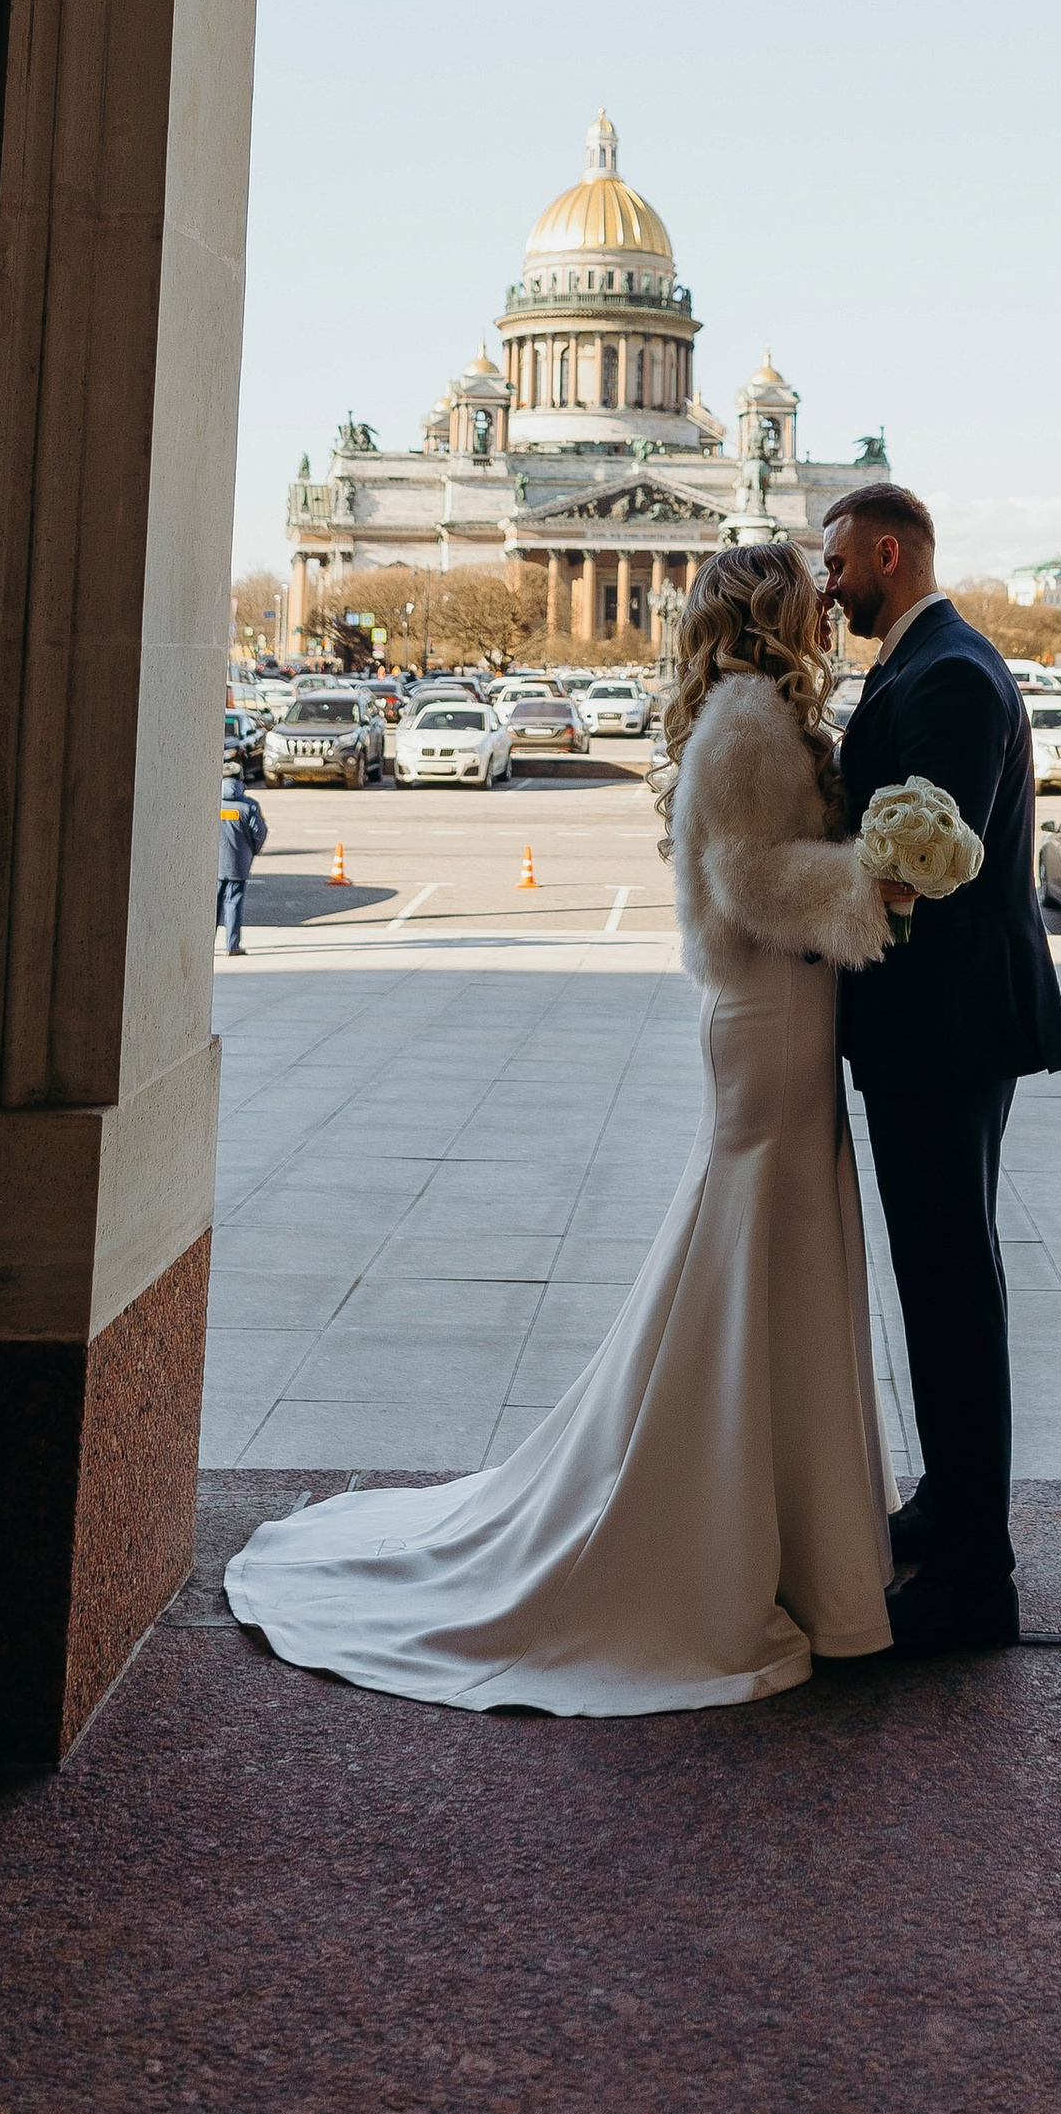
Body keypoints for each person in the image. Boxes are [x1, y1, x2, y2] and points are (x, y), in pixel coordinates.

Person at [222, 541, 900, 1712]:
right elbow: (747, 880)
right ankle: (735, 1531)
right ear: (776, 613)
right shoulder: (749, 721)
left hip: (780, 1010)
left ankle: (777, 1524)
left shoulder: (750, 714)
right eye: (810, 597)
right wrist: (870, 884)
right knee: (759, 1244)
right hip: (769, 1011)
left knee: (770, 1248)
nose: (827, 610)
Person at [820, 481, 1061, 1655]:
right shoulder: (926, 664)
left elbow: (923, 867)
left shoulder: (952, 674)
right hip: (936, 1025)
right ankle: (948, 1502)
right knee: (937, 1282)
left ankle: (977, 1576)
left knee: (951, 1288)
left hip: (947, 1024)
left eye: (838, 564)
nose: (828, 585)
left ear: (889, 553)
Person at [216, 767, 266, 956]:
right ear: (240, 779)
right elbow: (259, 833)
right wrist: (252, 851)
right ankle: (232, 946)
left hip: (214, 864)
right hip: (238, 863)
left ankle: (205, 946)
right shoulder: (249, 806)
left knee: (211, 907)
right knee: (233, 903)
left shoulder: (213, 803)